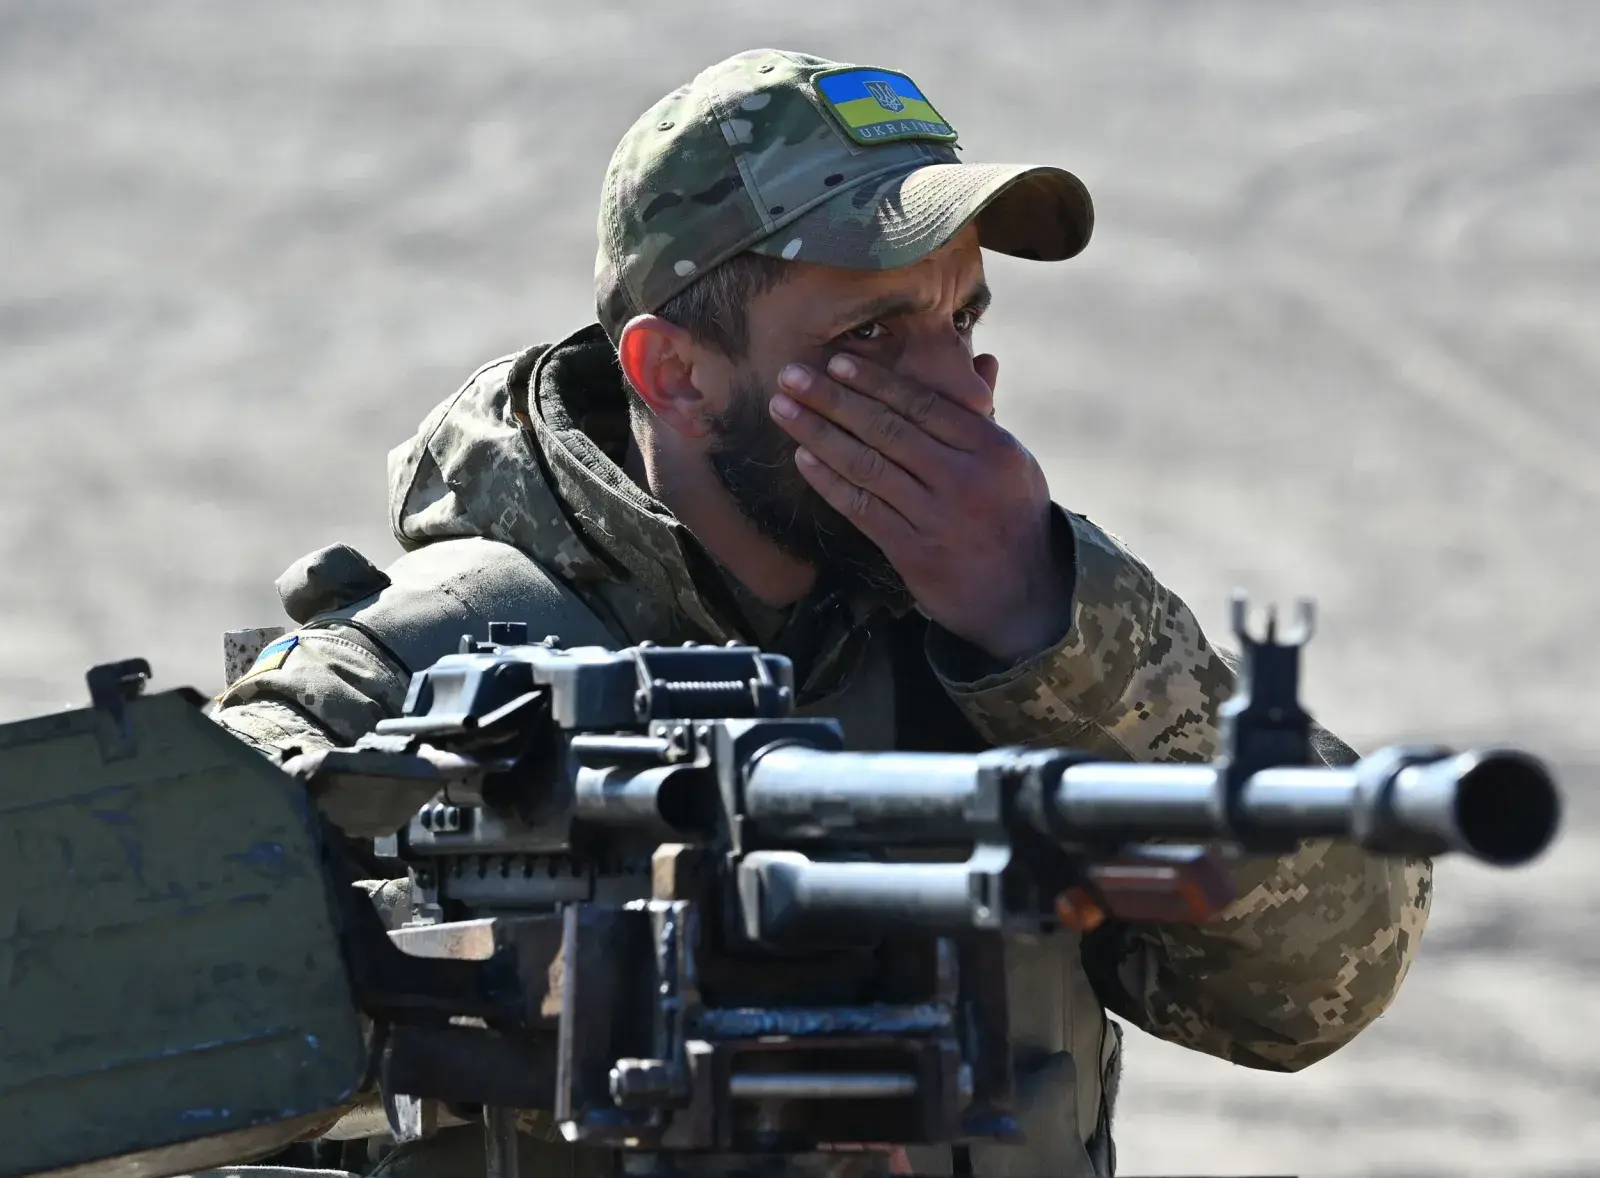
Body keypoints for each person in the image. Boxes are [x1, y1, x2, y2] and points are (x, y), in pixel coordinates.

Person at [209, 48, 1432, 1178]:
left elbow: (1326, 977)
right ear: (676, 375)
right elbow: (111, 1028)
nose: (957, 384)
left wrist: (1049, 629)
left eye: (962, 319)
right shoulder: (404, 683)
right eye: (874, 333)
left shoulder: (1019, 636)